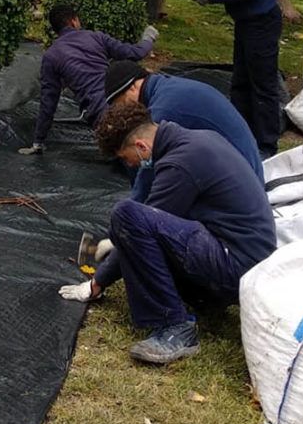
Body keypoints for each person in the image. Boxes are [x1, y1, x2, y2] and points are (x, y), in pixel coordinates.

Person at [58, 103, 275, 364]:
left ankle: (175, 326)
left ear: (141, 147)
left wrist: (97, 283)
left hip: (237, 265)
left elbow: (140, 224)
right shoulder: (197, 140)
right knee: (138, 223)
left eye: (127, 159)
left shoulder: (180, 163)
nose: (131, 165)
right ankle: (203, 300)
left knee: (126, 214)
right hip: (248, 260)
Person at [186, 0, 282, 159]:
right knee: (240, 82)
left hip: (260, 23)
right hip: (248, 22)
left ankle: (266, 146)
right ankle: (242, 134)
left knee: (262, 85)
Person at [17, 5, 158, 155]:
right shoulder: (95, 37)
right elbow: (135, 53)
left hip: (102, 119)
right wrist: (148, 37)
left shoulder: (51, 56)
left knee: (130, 154)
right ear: (74, 21)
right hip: (128, 105)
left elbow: (48, 103)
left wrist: (38, 141)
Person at [103, 60, 262, 179]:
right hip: (244, 171)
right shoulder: (168, 88)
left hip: (242, 184)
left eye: (122, 102)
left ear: (132, 87)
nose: (124, 109)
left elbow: (148, 172)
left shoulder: (163, 110)